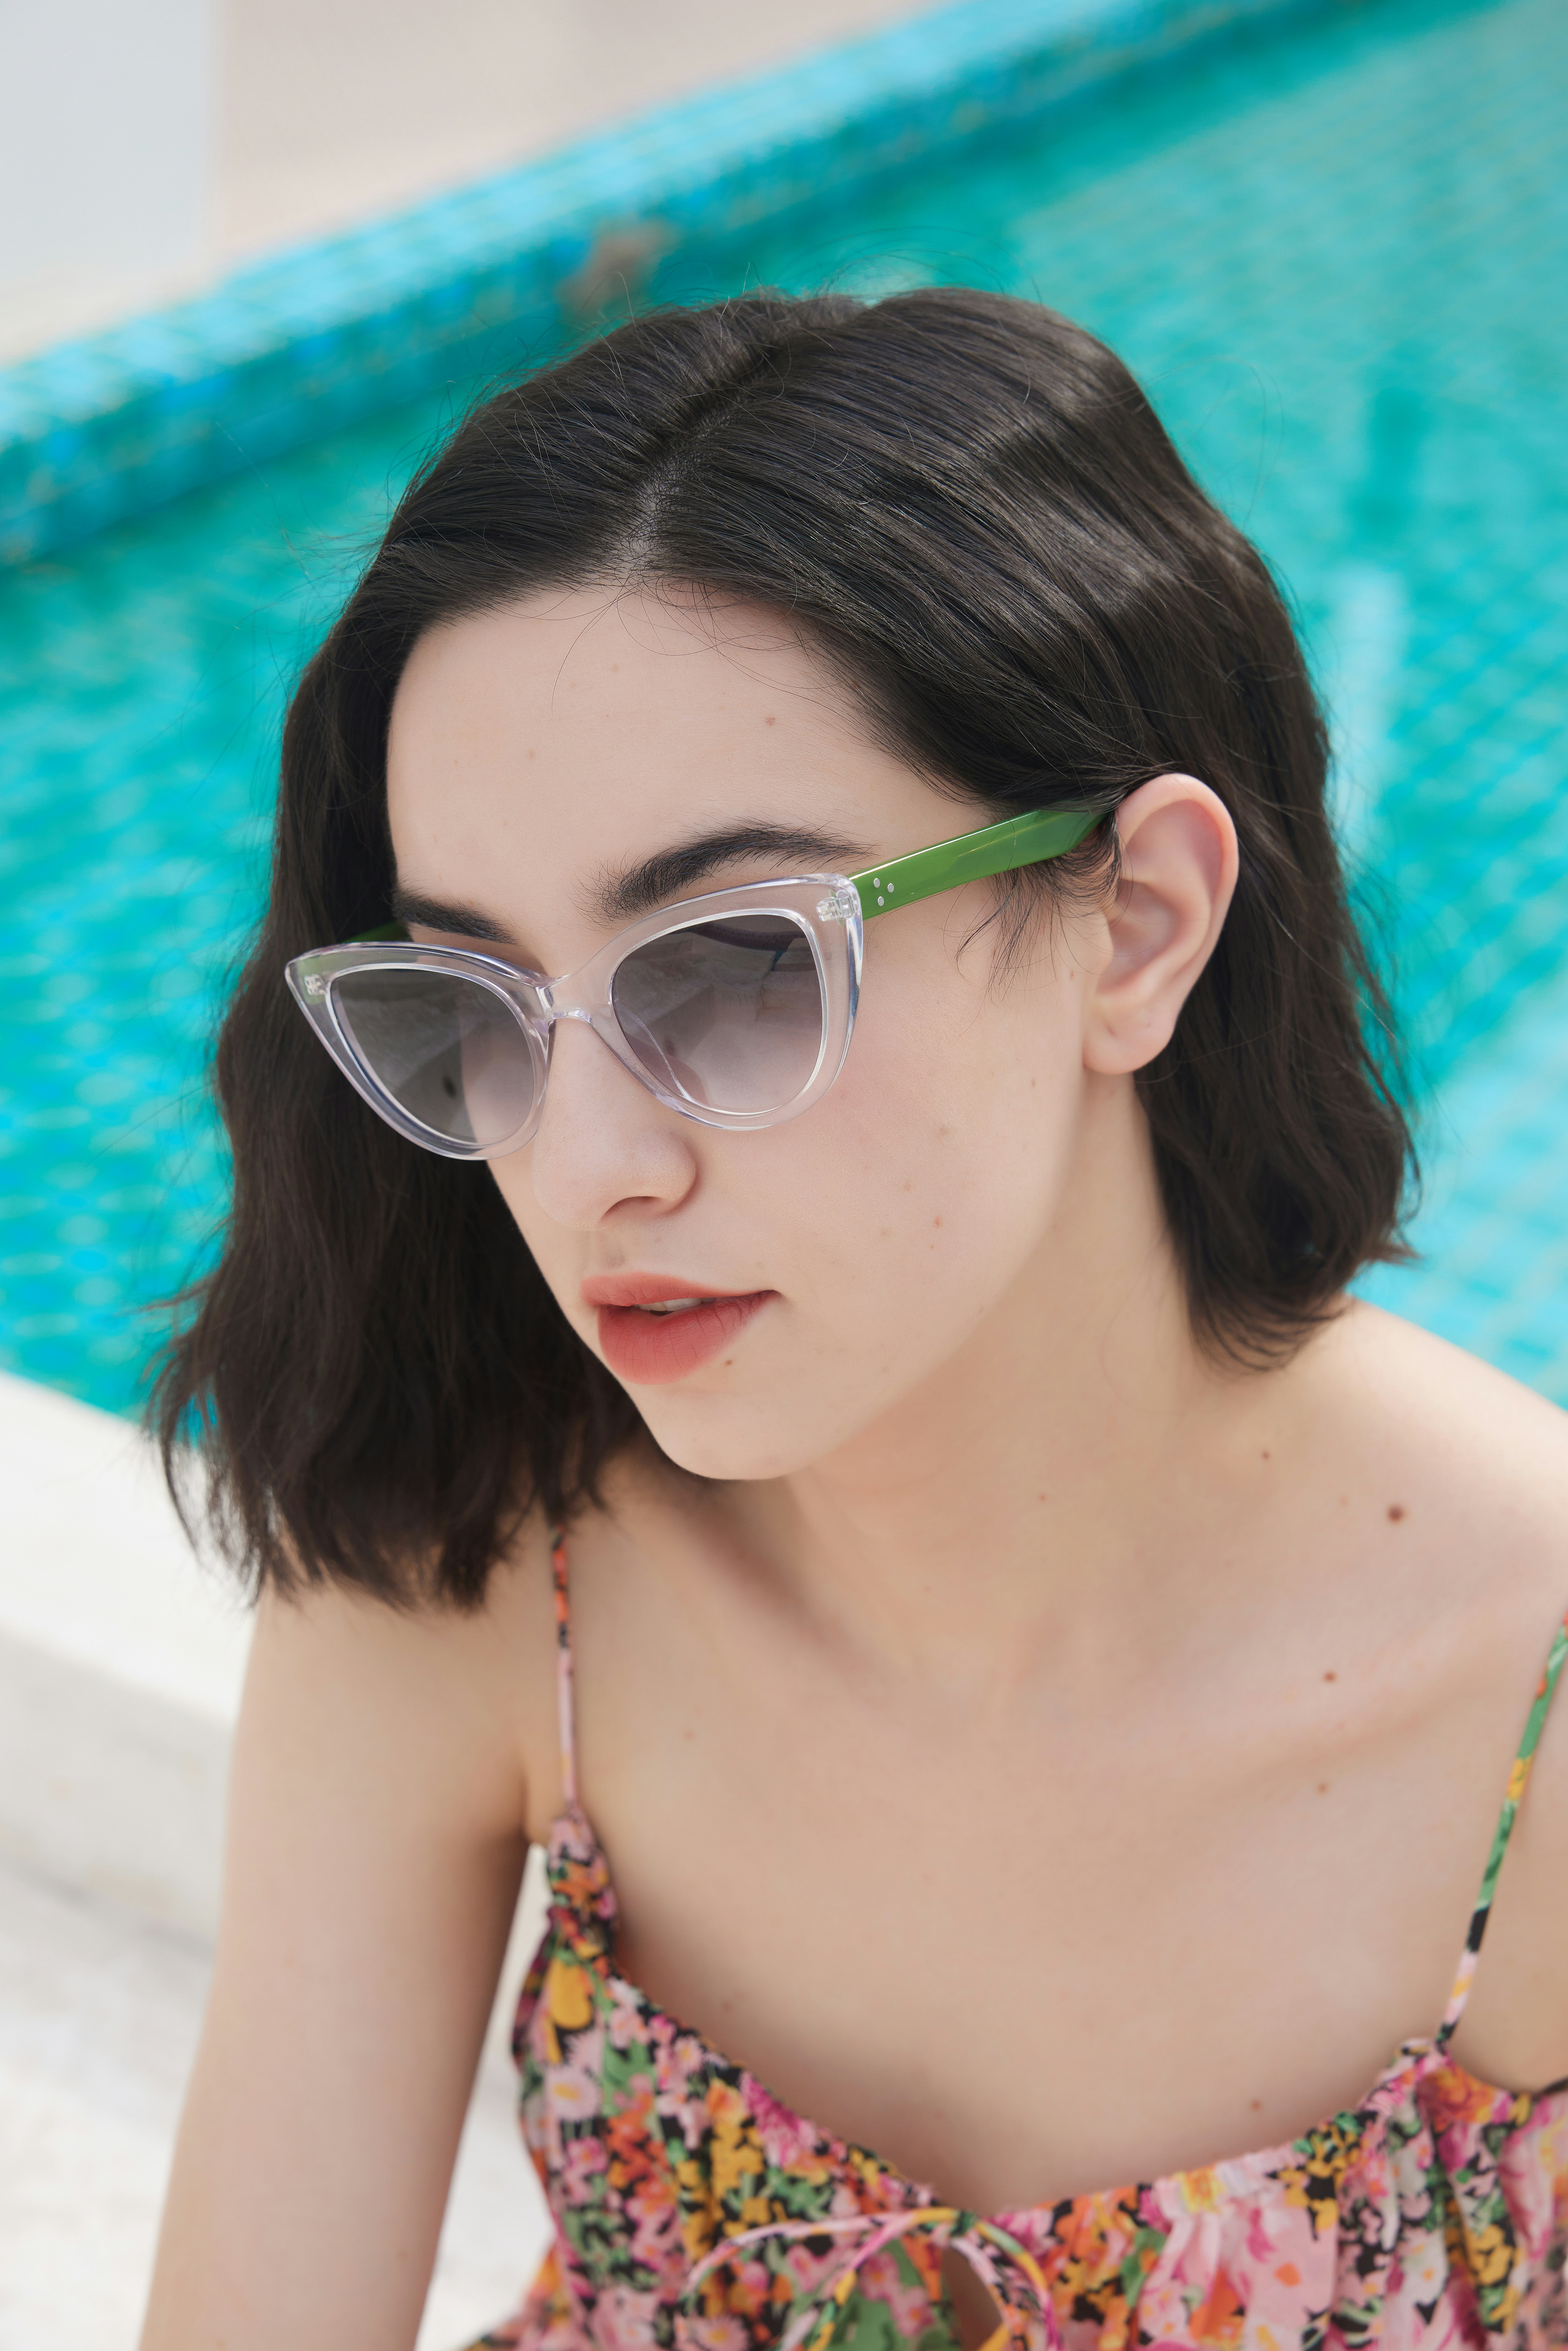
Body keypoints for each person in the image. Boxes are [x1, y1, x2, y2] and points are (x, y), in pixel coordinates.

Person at [138, 290, 1568, 2351]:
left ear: (1136, 924)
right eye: (482, 1005)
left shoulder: (1520, 1722)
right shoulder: (478, 1566)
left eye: (729, 968)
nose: (584, 1167)